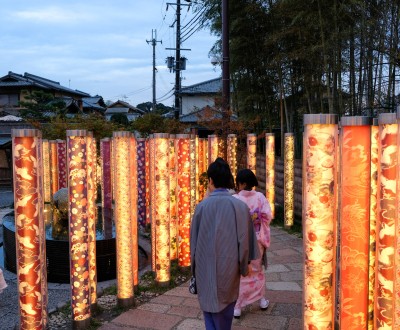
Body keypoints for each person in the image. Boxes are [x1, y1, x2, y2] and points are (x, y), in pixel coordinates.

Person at [190, 158, 259, 330]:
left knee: (208, 312)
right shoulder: (240, 207)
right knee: (225, 314)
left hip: (204, 268)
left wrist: (194, 271)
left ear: (210, 180)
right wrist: (244, 266)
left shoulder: (201, 207)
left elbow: (194, 245)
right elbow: (244, 244)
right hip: (229, 268)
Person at [232, 168, 273, 318]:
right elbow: (267, 216)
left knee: (242, 272)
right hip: (257, 239)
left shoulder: (235, 199)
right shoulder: (260, 197)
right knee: (257, 270)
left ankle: (238, 306)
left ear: (242, 183)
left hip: (240, 240)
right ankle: (261, 300)